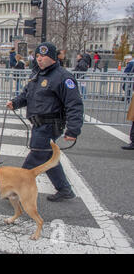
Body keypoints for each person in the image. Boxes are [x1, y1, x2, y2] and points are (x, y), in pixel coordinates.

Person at [7, 42, 84, 202]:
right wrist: (15, 103)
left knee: (35, 156)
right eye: (38, 56)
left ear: (53, 57)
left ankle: (15, 190)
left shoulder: (63, 77)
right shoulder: (37, 74)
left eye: (44, 56)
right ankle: (64, 189)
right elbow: (26, 95)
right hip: (38, 123)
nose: (40, 59)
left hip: (50, 124)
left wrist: (73, 129)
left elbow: (74, 104)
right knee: (47, 157)